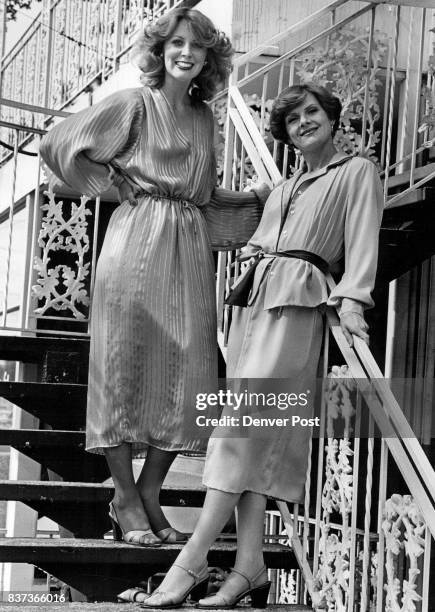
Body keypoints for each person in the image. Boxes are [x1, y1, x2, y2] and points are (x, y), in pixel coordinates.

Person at [141, 82, 383, 608]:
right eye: (293, 120)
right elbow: (254, 237)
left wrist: (353, 300)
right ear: (287, 135)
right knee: (249, 436)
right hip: (256, 307)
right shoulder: (283, 188)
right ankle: (250, 566)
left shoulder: (356, 172)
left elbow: (362, 241)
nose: (304, 124)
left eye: (312, 112)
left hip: (298, 308)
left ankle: (192, 559)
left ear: (332, 117)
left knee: (240, 434)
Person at [39, 8, 269, 551]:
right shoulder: (135, 104)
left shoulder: (206, 116)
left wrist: (262, 204)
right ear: (161, 50)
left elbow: (206, 199)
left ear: (211, 58)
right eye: (176, 42)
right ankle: (123, 495)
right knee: (121, 366)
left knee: (192, 372)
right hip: (135, 241)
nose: (186, 52)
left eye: (198, 46)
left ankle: (146, 491)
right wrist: (110, 181)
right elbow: (60, 142)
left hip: (188, 248)